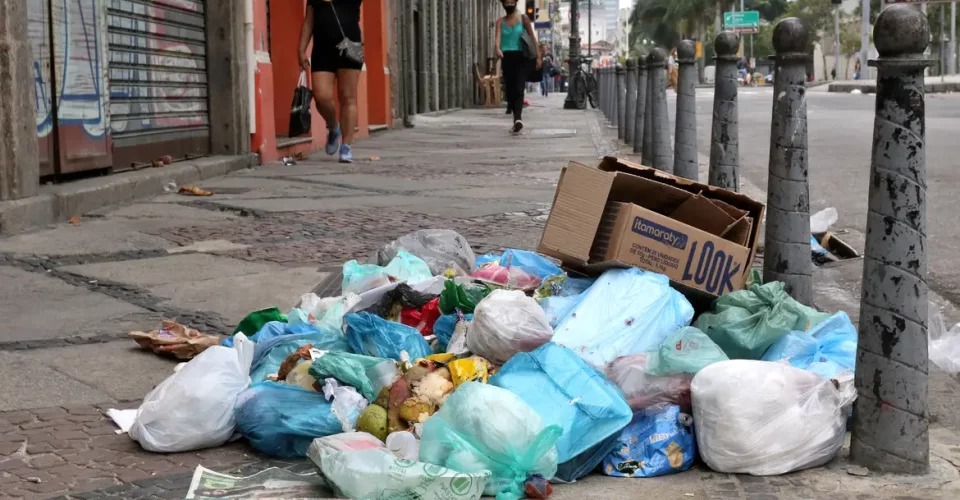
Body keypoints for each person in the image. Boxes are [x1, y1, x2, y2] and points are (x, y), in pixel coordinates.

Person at [298, 0, 363, 164]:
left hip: (350, 46)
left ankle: (346, 146)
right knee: (321, 96)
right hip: (322, 49)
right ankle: (334, 126)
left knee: (348, 97)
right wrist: (301, 48)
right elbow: (309, 20)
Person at [496, 0, 539, 134]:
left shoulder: (523, 18)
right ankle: (516, 118)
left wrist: (538, 56)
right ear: (503, 4)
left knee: (519, 88)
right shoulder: (500, 21)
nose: (509, 3)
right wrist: (497, 48)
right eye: (506, 1)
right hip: (506, 58)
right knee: (510, 91)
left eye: (511, 1)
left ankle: (518, 119)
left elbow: (532, 37)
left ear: (515, 2)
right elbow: (497, 38)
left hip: (521, 58)